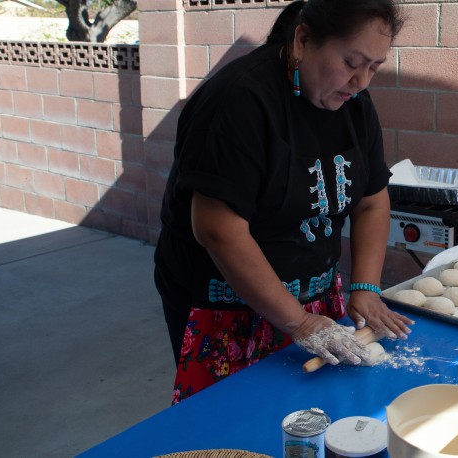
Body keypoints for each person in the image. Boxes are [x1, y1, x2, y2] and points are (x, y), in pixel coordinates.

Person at [153, 0, 413, 404]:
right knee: (237, 423)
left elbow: (371, 202)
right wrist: (298, 322)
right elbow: (218, 230)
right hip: (226, 307)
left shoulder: (353, 102)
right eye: (351, 62)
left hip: (315, 301)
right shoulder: (240, 100)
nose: (361, 81)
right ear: (303, 40)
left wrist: (365, 287)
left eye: (374, 67)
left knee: (312, 415)